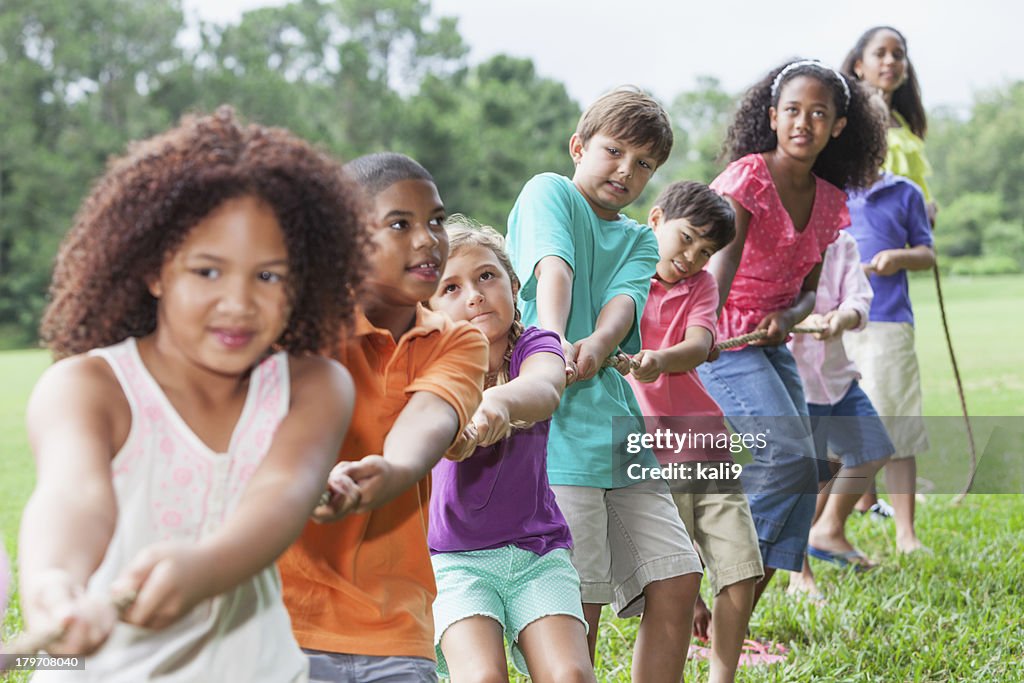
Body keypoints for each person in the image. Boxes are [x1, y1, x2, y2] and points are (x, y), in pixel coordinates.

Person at [18, 107, 365, 682]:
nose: (238, 302)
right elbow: (73, 496)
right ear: (155, 272)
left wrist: (205, 567)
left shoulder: (313, 387)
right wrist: (54, 583)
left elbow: (282, 496)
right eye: (207, 271)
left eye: (268, 276)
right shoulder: (87, 388)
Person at [507, 87, 704, 683]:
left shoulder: (642, 238)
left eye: (644, 163)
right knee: (579, 598)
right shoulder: (551, 192)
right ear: (578, 146)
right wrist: (553, 343)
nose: (626, 170)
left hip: (620, 432)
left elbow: (623, 305)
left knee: (677, 575)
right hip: (557, 433)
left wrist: (594, 346)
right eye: (614, 151)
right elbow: (553, 268)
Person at [278, 153, 488, 683]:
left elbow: (428, 423)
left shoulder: (458, 340)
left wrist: (390, 473)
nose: (427, 240)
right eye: (400, 224)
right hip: (279, 624)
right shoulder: (295, 326)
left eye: (435, 221)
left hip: (396, 631)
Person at [697, 60, 887, 610]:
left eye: (819, 113)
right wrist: (698, 340)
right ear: (773, 117)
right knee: (786, 457)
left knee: (804, 480)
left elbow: (809, 289)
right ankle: (713, 576)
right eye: (794, 111)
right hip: (723, 340)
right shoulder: (750, 178)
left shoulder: (830, 200)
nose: (805, 123)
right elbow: (715, 277)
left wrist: (789, 316)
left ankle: (734, 625)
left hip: (772, 342)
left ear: (838, 127)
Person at [427, 218, 595, 683]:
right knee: (481, 677)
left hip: (536, 550)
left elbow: (544, 387)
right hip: (454, 558)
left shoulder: (534, 346)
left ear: (514, 285)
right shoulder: (429, 365)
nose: (475, 295)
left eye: (486, 276)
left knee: (571, 676)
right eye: (451, 288)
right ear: (430, 309)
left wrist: (496, 401)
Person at [624, 181, 763, 683]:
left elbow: (701, 341)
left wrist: (659, 359)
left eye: (705, 252)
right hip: (647, 455)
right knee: (673, 585)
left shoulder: (701, 285)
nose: (691, 257)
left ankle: (721, 676)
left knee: (743, 569)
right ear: (656, 219)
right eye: (686, 239)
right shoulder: (625, 271)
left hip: (705, 442)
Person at [842, 27, 938, 549]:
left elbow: (926, 250)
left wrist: (898, 254)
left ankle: (905, 531)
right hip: (838, 320)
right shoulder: (834, 189)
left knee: (897, 417)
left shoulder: (903, 189)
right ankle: (847, 511)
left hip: (889, 316)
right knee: (845, 421)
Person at [786, 230, 894, 598]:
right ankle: (796, 571)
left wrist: (842, 317)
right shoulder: (775, 239)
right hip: (793, 377)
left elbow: (859, 295)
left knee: (873, 448)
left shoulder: (840, 240)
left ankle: (829, 530)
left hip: (837, 375)